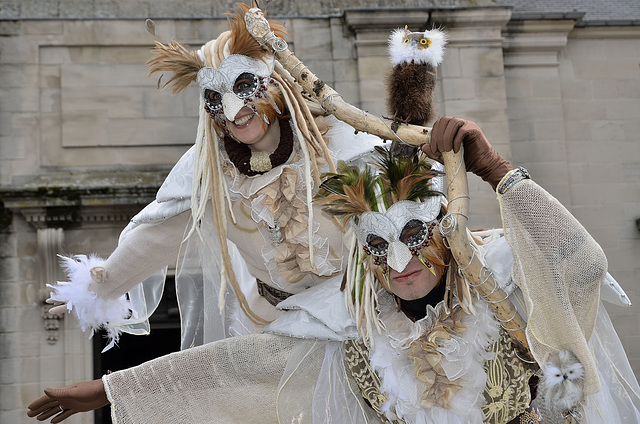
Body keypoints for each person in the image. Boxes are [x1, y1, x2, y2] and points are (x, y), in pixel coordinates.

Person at [28, 118, 640, 423]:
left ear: (445, 237)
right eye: (377, 248)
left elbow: (578, 265)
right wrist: (107, 390)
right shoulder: (354, 328)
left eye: (412, 237)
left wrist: (497, 170)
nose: (398, 262)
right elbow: (239, 369)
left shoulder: (503, 278)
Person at [45, 4, 383, 351]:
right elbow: (153, 236)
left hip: (367, 312)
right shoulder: (208, 172)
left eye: (244, 85)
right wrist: (95, 290)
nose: (233, 110)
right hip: (282, 328)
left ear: (271, 83)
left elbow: (405, 188)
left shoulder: (334, 140)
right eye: (215, 98)